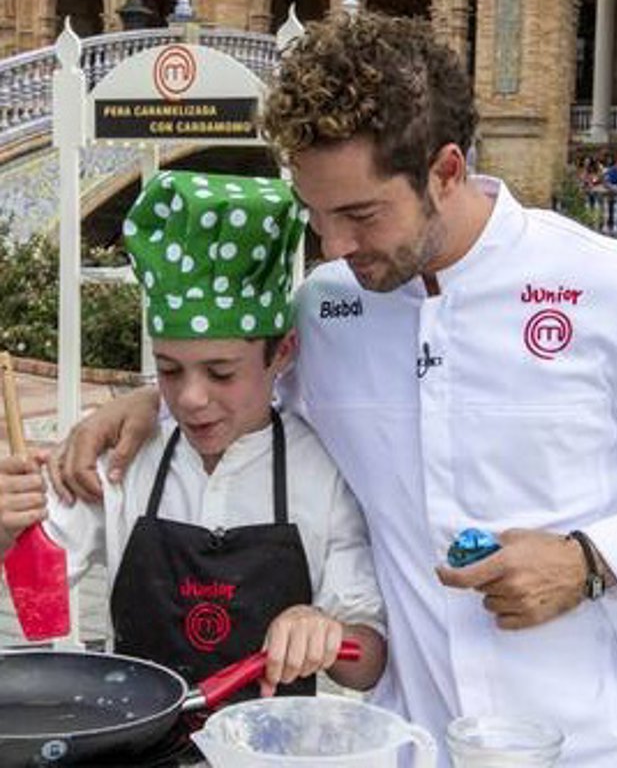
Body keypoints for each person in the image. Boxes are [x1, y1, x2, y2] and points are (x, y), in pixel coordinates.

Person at [47, 13, 617, 767]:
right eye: (317, 216)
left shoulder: (616, 293)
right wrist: (146, 402)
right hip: (413, 738)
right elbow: (246, 400)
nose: (335, 247)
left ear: (446, 172)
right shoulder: (328, 307)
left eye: (359, 214)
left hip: (601, 741)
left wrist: (591, 560)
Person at [0, 170, 386, 702]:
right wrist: (8, 531)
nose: (190, 399)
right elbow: (39, 588)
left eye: (221, 372)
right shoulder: (125, 457)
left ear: (283, 352)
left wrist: (327, 631)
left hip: (266, 753)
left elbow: (367, 660)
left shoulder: (321, 468)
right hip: (133, 742)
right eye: (169, 370)